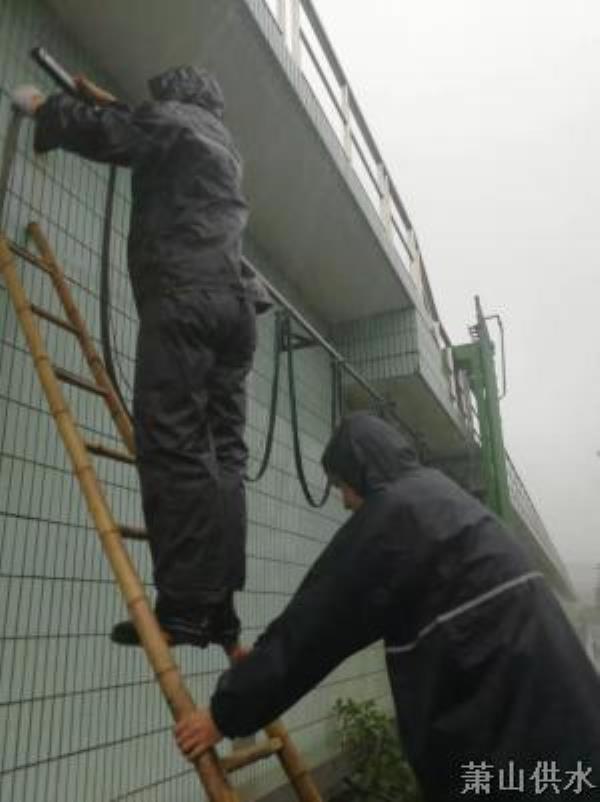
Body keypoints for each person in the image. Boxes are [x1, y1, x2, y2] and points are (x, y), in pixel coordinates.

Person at [173, 412, 600, 800]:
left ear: (360, 470)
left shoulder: (394, 516)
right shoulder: (446, 498)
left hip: (508, 751)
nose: (344, 501)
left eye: (340, 485)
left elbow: (314, 627)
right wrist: (259, 666)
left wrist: (223, 715)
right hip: (568, 730)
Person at [12, 66, 260, 656]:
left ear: (173, 95)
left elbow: (116, 134)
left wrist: (46, 108)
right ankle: (219, 608)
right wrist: (116, 107)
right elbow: (141, 126)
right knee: (224, 456)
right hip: (236, 309)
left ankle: (184, 610)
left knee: (175, 445)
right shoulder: (222, 144)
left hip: (185, 299)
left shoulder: (171, 121)